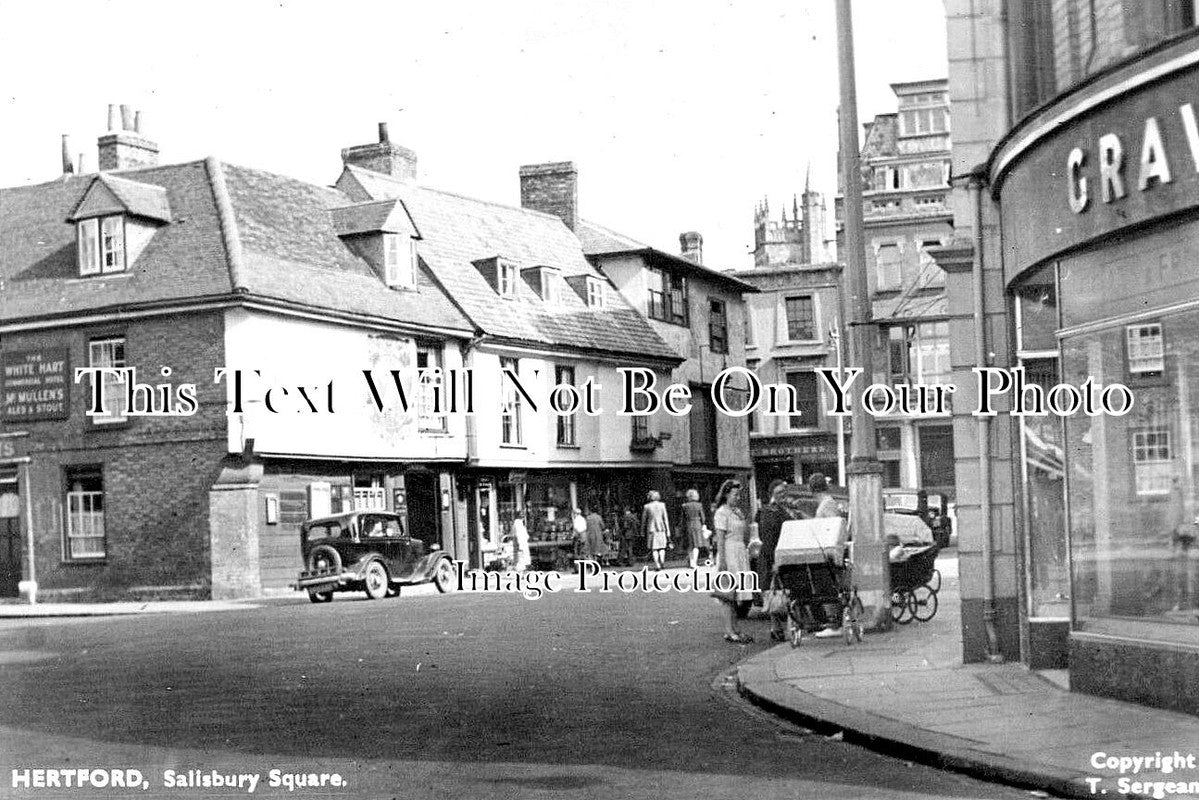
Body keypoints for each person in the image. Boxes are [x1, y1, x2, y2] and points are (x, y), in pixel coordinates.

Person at [712, 479, 754, 643]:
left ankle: (736, 629)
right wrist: (722, 562)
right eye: (735, 494)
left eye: (739, 494)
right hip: (728, 553)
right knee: (727, 595)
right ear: (727, 494)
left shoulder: (736, 512)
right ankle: (729, 631)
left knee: (736, 595)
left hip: (739, 552)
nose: (738, 497)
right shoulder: (721, 512)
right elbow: (720, 539)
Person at [755, 479, 793, 642]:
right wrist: (774, 562)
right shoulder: (770, 512)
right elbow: (769, 540)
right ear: (771, 495)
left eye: (784, 492)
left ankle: (779, 628)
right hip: (773, 556)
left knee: (778, 591)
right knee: (775, 592)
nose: (782, 495)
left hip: (783, 554)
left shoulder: (783, 509)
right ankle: (777, 628)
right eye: (778, 493)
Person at [808, 473, 845, 638]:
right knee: (827, 586)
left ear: (811, 489)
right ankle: (833, 623)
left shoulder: (827, 503)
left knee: (827, 587)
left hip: (828, 552)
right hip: (826, 551)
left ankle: (834, 625)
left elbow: (832, 526)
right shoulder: (826, 502)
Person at [641, 490, 671, 571]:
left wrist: (642, 531)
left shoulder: (647, 506)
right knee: (662, 547)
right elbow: (665, 518)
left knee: (654, 548)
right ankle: (662, 561)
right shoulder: (662, 505)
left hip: (651, 529)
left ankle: (657, 565)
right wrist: (668, 530)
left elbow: (644, 520)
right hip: (661, 528)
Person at [680, 489, 706, 569]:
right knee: (696, 545)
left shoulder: (684, 506)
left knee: (690, 545)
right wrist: (703, 525)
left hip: (688, 525)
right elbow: (703, 517)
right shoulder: (699, 505)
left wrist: (681, 527)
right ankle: (694, 562)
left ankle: (691, 562)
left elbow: (682, 518)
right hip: (697, 524)